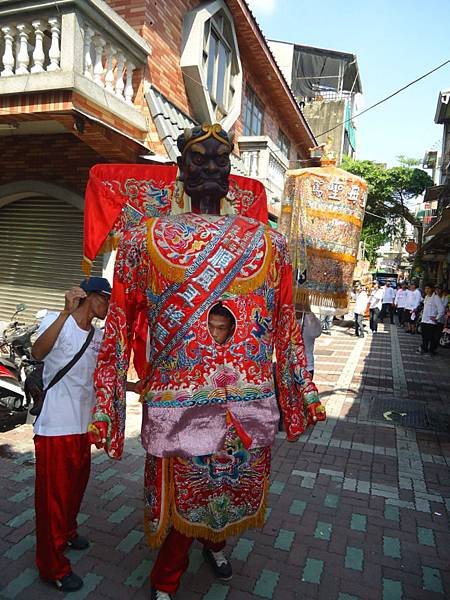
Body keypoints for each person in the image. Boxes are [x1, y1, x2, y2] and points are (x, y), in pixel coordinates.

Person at [89, 124, 326, 600]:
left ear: (232, 170)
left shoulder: (268, 242)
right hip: (181, 401)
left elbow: (283, 322)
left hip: (246, 399)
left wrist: (300, 390)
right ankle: (166, 578)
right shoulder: (144, 239)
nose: (212, 168)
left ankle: (216, 544)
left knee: (231, 488)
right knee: (183, 493)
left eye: (222, 160)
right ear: (181, 168)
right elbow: (118, 323)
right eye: (201, 160)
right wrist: (107, 399)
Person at [32, 277, 112, 593]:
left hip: (82, 427)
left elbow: (100, 377)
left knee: (75, 489)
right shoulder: (56, 320)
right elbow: (38, 352)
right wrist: (66, 313)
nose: (108, 306)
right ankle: (52, 567)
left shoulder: (99, 336)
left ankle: (67, 532)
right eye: (105, 299)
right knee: (52, 499)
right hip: (55, 427)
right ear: (91, 297)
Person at [417, 283, 445, 355]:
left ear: (432, 289)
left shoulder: (436, 298)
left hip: (431, 322)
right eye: (426, 288)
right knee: (424, 337)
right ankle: (424, 349)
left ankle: (431, 350)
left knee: (431, 337)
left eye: (428, 288)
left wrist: (436, 318)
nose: (427, 290)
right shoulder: (426, 297)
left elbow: (441, 310)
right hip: (424, 320)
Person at [297, 310, 322, 378]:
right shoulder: (310, 318)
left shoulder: (286, 315)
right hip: (306, 365)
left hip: (303, 365)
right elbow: (317, 332)